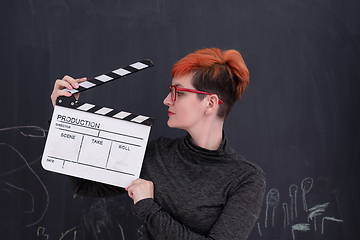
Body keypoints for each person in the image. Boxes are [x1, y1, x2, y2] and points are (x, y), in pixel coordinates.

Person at [50, 48, 266, 239]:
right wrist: (64, 117)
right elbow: (85, 186)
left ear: (209, 103)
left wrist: (147, 207)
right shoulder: (157, 153)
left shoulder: (245, 178)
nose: (166, 100)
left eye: (178, 93)